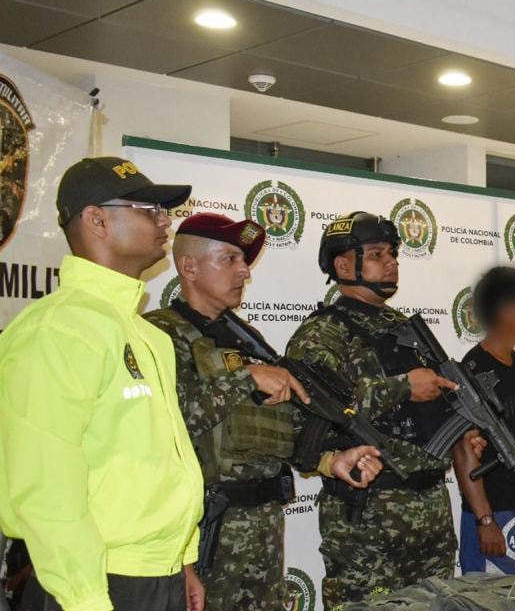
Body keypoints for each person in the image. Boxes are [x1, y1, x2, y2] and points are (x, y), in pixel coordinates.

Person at [144, 213, 383, 610]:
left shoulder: (247, 339)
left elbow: (273, 429)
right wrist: (247, 379)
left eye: (245, 262)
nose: (244, 273)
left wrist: (329, 461)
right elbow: (165, 423)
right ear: (189, 267)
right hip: (204, 531)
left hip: (265, 529)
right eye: (230, 260)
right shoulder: (158, 334)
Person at [0, 156, 204, 611]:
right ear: (95, 219)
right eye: (146, 209)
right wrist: (85, 597)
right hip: (95, 582)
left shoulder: (146, 334)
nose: (163, 220)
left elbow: (162, 457)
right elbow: (45, 486)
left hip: (157, 574)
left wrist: (182, 561)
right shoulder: (57, 330)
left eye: (162, 210)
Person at [285, 212, 483, 607]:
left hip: (430, 508)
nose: (391, 261)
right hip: (370, 518)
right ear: (344, 264)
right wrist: (403, 386)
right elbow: (309, 406)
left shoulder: (403, 328)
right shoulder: (323, 333)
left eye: (392, 253)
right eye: (376, 254)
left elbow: (434, 399)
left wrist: (461, 428)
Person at [453, 266, 515, 573]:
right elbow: (463, 452)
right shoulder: (475, 369)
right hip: (496, 513)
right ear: (507, 310)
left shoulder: (514, 360)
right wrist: (485, 520)